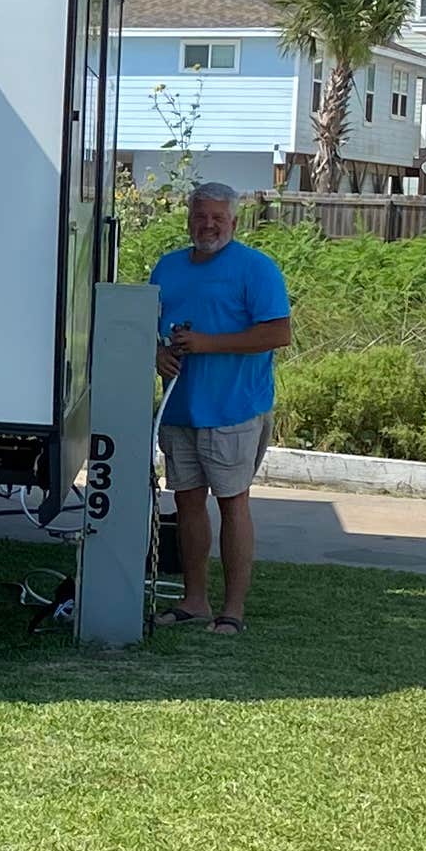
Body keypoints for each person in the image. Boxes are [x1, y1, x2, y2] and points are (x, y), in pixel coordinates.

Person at [150, 182, 292, 633]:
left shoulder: (256, 269)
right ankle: (194, 601)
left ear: (234, 221)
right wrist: (155, 353)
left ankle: (233, 610)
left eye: (216, 217)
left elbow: (277, 333)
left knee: (233, 506)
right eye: (199, 216)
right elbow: (145, 327)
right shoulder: (167, 268)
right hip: (180, 409)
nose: (207, 224)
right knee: (188, 504)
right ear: (188, 219)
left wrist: (208, 344)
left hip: (234, 410)